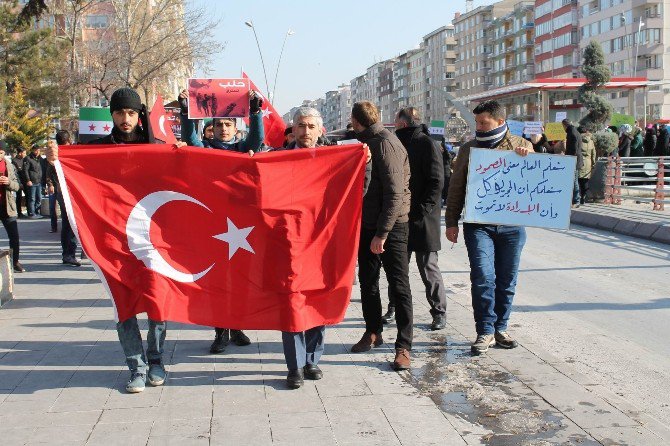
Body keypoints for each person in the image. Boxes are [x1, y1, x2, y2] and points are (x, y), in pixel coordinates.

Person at [48, 87, 187, 394]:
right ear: (111, 114)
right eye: (120, 112)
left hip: (152, 240)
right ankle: (135, 366)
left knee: (156, 303)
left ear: (139, 116)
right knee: (123, 306)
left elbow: (180, 180)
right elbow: (71, 180)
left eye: (132, 113)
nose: (126, 119)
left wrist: (183, 155)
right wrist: (55, 161)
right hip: (113, 240)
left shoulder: (158, 147)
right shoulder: (95, 149)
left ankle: (156, 360)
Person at [445, 100, 533, 355]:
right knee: (483, 277)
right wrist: (452, 221)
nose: (479, 127)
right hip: (478, 225)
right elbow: (456, 188)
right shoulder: (468, 149)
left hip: (512, 226)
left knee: (507, 279)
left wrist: (532, 160)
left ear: (500, 121)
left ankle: (500, 328)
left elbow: (537, 182)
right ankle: (484, 330)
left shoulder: (523, 146)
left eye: (484, 123)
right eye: (477, 123)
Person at [179, 89, 264, 354]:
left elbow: (257, 137)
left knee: (239, 279)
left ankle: (237, 327)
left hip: (243, 227)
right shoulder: (205, 150)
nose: (224, 128)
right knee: (217, 281)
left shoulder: (242, 150)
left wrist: (256, 111)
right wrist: (186, 111)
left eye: (228, 124)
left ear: (235, 127)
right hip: (214, 226)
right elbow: (191, 138)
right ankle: (220, 332)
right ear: (212, 129)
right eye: (219, 124)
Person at [350, 101, 413, 372]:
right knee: (368, 282)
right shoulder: (366, 141)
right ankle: (373, 331)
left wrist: (383, 234)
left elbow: (395, 194)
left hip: (391, 227)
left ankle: (404, 346)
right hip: (368, 224)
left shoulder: (385, 143)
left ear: (357, 120)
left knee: (399, 287)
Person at [393, 107, 447, 331]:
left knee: (427, 267)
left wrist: (422, 210)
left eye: (396, 121)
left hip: (422, 219)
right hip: (399, 217)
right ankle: (394, 307)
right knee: (397, 267)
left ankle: (439, 312)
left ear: (403, 123)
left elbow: (437, 181)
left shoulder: (426, 143)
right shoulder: (395, 142)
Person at [46, 130, 81, 267]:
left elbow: (48, 172)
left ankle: (68, 254)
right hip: (68, 192)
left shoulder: (54, 153)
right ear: (69, 140)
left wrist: (50, 184)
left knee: (68, 223)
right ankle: (69, 254)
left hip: (64, 192)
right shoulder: (67, 152)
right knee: (70, 223)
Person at [0, 147, 24, 273]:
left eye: (1, 152)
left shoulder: (9, 165)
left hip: (7, 206)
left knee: (14, 236)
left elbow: (17, 186)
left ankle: (15, 261)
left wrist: (8, 182)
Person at [562, 119, 583, 207]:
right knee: (574, 180)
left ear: (564, 125)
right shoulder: (575, 131)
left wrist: (570, 159)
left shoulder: (571, 133)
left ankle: (576, 200)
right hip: (576, 159)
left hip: (573, 160)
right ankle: (575, 200)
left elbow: (574, 149)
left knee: (574, 181)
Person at [23, 144, 44, 218]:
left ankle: (37, 212)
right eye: (36, 150)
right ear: (32, 150)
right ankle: (32, 213)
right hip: (32, 181)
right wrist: (28, 180)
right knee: (32, 198)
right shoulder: (28, 158)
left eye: (38, 150)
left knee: (39, 198)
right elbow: (25, 170)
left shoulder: (40, 159)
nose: (37, 152)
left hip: (39, 181)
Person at [578, 127, 597, 205]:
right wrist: (593, 164)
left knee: (578, 180)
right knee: (585, 181)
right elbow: (593, 154)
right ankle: (583, 196)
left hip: (580, 162)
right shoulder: (591, 141)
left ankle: (577, 197)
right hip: (588, 163)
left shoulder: (579, 140)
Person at [11, 148, 26, 218]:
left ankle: (30, 212)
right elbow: (15, 174)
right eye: (24, 153)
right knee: (19, 197)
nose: (25, 154)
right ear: (20, 153)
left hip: (26, 181)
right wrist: (19, 184)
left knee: (28, 197)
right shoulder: (14, 161)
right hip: (18, 182)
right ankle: (19, 213)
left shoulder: (25, 159)